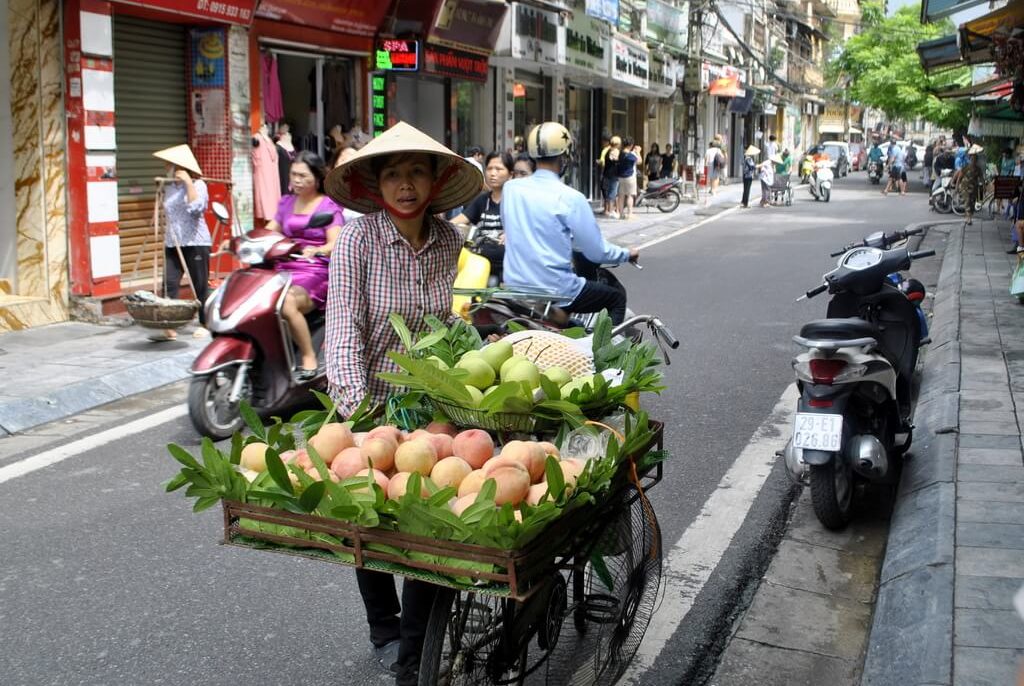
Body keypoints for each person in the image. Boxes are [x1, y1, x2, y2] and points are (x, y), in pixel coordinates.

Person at [323, 121, 483, 686]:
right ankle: (383, 627)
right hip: (369, 402)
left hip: (431, 404)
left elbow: (446, 325)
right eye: (393, 173)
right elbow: (343, 332)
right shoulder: (357, 242)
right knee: (369, 517)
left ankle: (418, 651)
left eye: (417, 171)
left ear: (436, 180)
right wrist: (360, 418)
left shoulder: (449, 241)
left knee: (431, 523)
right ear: (375, 184)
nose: (406, 184)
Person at [501, 121, 639, 325]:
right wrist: (627, 254)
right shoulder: (571, 198)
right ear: (564, 157)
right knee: (616, 298)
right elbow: (596, 251)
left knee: (574, 325)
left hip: (515, 287)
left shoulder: (510, 189)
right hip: (557, 290)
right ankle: (606, 354)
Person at [263, 151, 345, 378]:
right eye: (293, 175)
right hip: (283, 267)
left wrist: (318, 249)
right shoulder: (286, 202)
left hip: (315, 270)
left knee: (286, 302)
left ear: (317, 178)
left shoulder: (328, 205)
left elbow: (335, 242)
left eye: (302, 175)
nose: (296, 180)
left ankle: (308, 356)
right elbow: (269, 231)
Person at [153, 144, 210, 342]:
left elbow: (196, 208)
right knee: (169, 284)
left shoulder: (199, 185)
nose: (168, 168)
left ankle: (205, 322)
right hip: (173, 241)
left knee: (200, 284)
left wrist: (188, 184)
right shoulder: (169, 187)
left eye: (171, 165)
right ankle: (169, 325)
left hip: (196, 241)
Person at [452, 151, 514, 279]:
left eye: (498, 169)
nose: (492, 173)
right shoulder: (482, 201)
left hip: (509, 267)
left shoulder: (516, 202)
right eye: (490, 168)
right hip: (481, 265)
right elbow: (457, 221)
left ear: (510, 175)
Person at [953, 144, 984, 225]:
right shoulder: (966, 167)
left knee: (972, 203)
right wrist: (956, 187)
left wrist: (984, 187)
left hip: (974, 188)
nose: (974, 160)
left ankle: (969, 216)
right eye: (972, 159)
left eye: (975, 159)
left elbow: (981, 179)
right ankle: (968, 218)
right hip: (965, 187)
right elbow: (959, 177)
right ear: (970, 159)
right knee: (967, 202)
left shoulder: (978, 169)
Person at [615, 137, 641, 220]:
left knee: (621, 196)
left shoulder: (621, 154)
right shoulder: (630, 155)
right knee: (630, 195)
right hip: (630, 177)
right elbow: (639, 161)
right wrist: (638, 152)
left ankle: (621, 214)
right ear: (631, 145)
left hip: (621, 177)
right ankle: (630, 214)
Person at [601, 136, 621, 217]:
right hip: (613, 175)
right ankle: (611, 210)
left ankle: (608, 210)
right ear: (617, 144)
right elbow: (616, 161)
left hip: (607, 174)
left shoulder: (608, 150)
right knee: (612, 193)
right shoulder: (615, 151)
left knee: (609, 192)